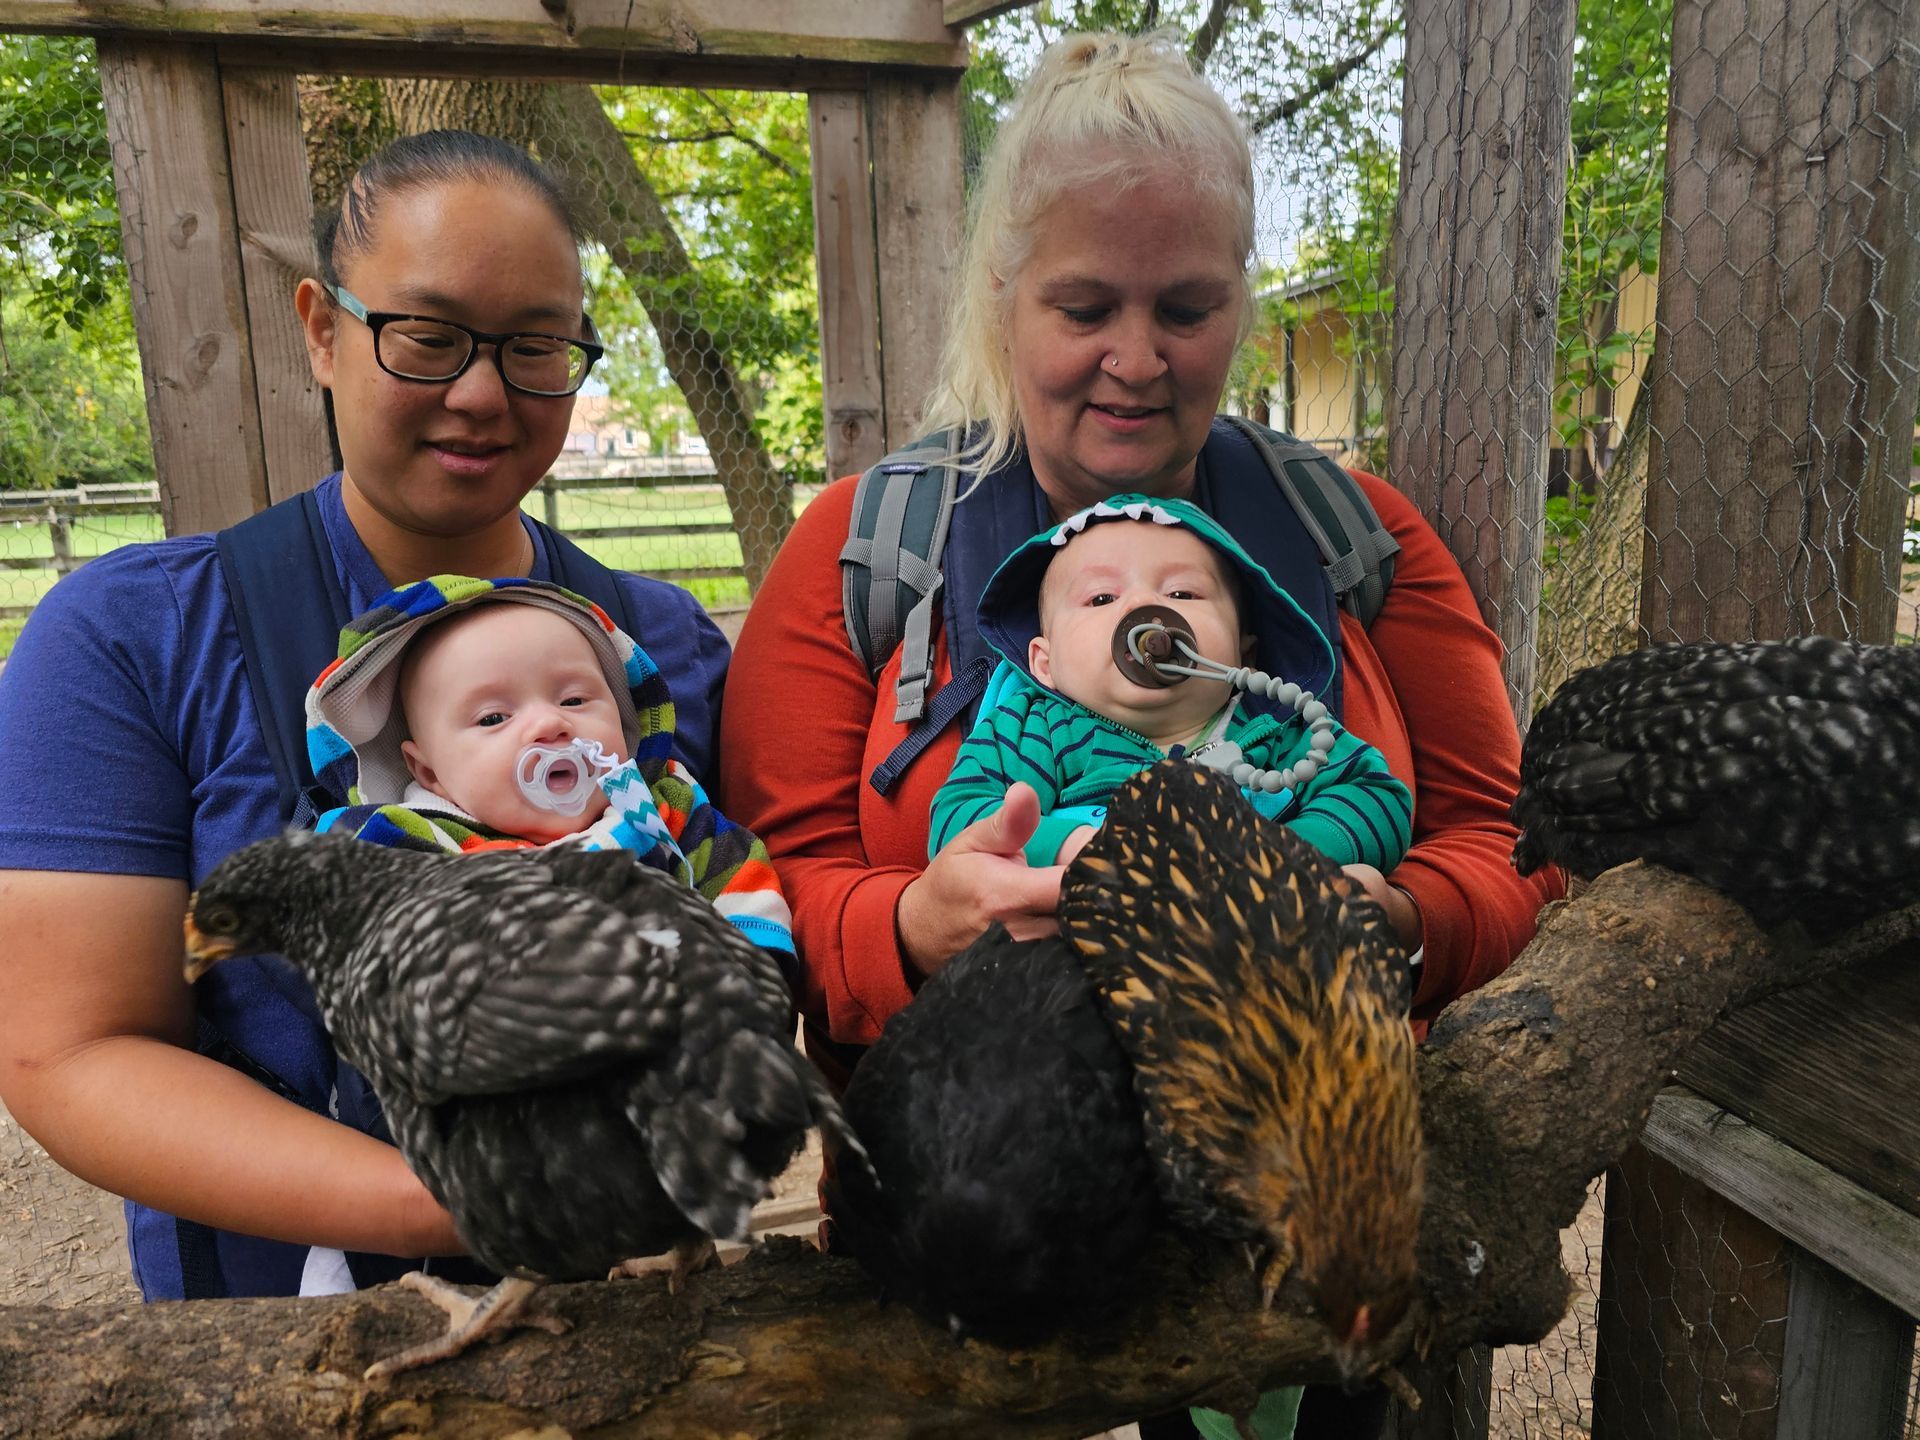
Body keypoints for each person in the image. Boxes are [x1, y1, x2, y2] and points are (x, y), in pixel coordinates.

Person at [714, 31, 1564, 1440]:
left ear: (1242, 301)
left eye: (1186, 305)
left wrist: (1395, 917)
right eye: (1084, 304)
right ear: (1002, 300)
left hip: (1289, 1208)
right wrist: (913, 927)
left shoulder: (1353, 537)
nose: (1136, 359)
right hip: (971, 1224)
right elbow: (762, 885)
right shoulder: (866, 553)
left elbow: (1513, 841)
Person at [0, 130, 731, 1302]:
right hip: (285, 1344)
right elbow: (70, 1049)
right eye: (429, 337)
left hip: (633, 1315)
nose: (482, 393)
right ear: (322, 329)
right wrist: (459, 1201)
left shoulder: (667, 647)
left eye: (536, 347)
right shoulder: (134, 639)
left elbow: (745, 933)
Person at [293, 573, 788, 1296]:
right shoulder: (405, 846)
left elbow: (747, 900)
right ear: (426, 767)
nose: (549, 727)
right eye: (493, 719)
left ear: (623, 720)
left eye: (574, 699)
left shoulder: (666, 819)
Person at [928, 492, 1412, 874]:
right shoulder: (1034, 732)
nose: (1143, 608)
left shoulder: (1282, 737)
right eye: (1101, 598)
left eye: (1182, 592)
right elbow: (959, 818)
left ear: (1245, 652)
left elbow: (1377, 796)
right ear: (1044, 663)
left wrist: (1289, 858)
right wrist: (1072, 850)